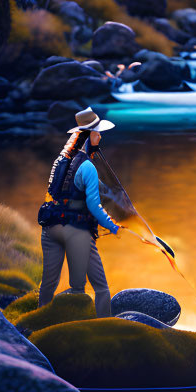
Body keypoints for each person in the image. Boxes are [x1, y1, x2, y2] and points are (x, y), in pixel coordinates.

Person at [38, 107, 121, 317]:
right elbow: (94, 206)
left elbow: (52, 193)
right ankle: (105, 326)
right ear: (88, 135)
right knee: (98, 287)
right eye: (97, 132)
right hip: (76, 231)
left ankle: (37, 322)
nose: (100, 136)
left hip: (50, 227)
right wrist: (112, 226)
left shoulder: (60, 161)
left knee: (48, 283)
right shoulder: (88, 167)